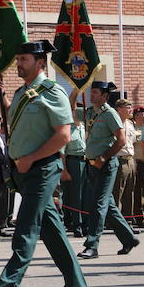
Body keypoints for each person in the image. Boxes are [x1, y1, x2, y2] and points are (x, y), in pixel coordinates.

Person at [0, 40, 90, 287]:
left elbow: (63, 135)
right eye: (19, 59)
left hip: (41, 169)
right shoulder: (20, 93)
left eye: (24, 59)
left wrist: (30, 158)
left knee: (25, 229)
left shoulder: (52, 93)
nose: (19, 64)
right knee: (52, 232)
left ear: (41, 63)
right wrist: (1, 96)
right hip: (23, 171)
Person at [77, 82, 139, 259]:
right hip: (91, 165)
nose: (92, 95)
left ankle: (92, 245)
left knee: (98, 205)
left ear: (105, 96)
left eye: (95, 92)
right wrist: (75, 88)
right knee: (108, 206)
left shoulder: (110, 113)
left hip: (106, 165)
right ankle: (129, 239)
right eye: (91, 92)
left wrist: (103, 158)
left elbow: (120, 140)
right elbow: (70, 109)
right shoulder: (89, 112)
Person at [61, 98, 87, 238]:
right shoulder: (68, 129)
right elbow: (62, 152)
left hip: (85, 161)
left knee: (86, 195)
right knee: (75, 196)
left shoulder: (84, 127)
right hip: (73, 162)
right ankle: (76, 225)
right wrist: (64, 169)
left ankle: (85, 223)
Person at [112, 99, 138, 226]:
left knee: (130, 191)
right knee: (117, 191)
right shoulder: (113, 123)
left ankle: (128, 220)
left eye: (130, 107)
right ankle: (116, 222)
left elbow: (132, 141)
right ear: (119, 109)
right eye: (127, 107)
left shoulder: (130, 124)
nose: (130, 110)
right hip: (119, 159)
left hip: (130, 160)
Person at [131, 106, 144, 227]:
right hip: (138, 162)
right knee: (139, 192)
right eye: (142, 114)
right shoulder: (133, 129)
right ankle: (140, 217)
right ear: (136, 116)